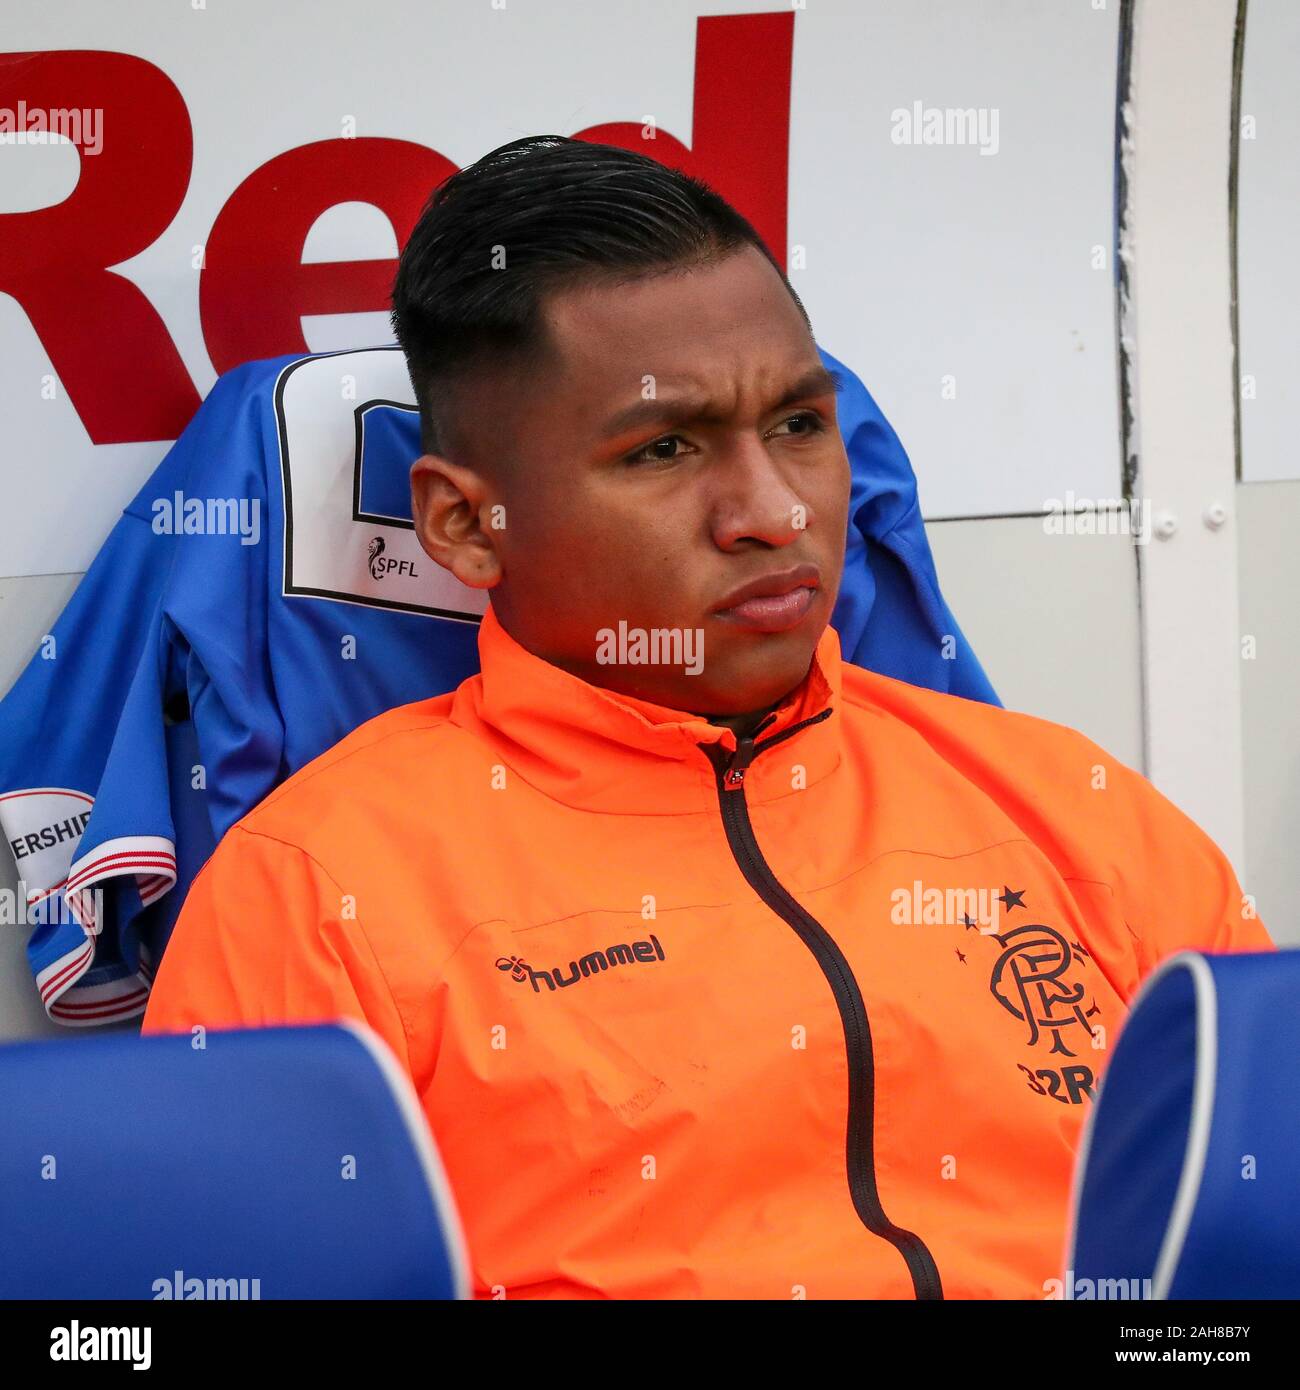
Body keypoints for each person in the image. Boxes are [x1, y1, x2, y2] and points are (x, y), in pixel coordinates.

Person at [141, 135, 1273, 1300]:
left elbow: (1257, 1224)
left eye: (798, 425)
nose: (774, 511)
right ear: (469, 527)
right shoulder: (313, 894)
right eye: (665, 448)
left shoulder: (1061, 804)